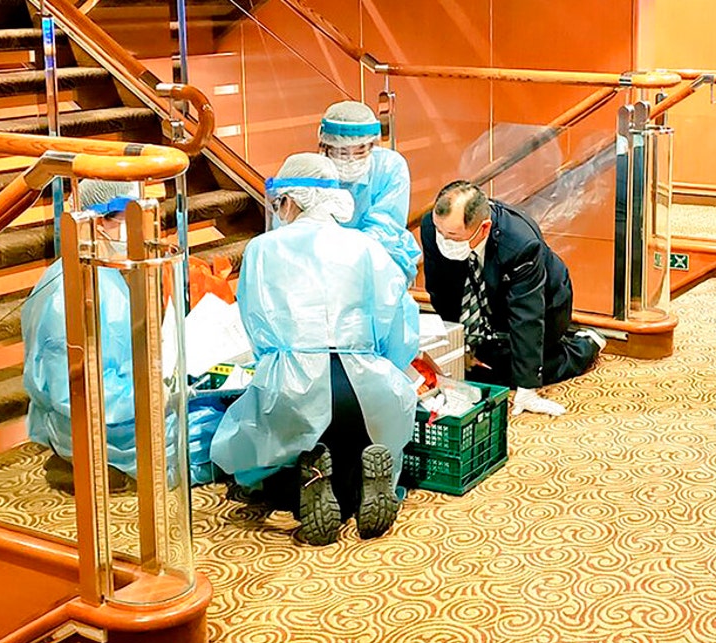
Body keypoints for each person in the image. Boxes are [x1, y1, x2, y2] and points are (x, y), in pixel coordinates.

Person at [210, 153, 419, 546]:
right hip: (365, 387)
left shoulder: (262, 249)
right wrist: (384, 365)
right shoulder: (366, 247)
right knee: (366, 439)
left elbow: (256, 326)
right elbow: (398, 321)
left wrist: (272, 365)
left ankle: (306, 481)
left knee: (259, 451)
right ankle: (360, 491)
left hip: (295, 384)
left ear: (289, 201)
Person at [22, 179, 222, 492]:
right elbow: (76, 392)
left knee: (220, 410)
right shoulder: (67, 291)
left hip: (127, 401)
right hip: (98, 421)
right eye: (128, 220)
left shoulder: (104, 271)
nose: (137, 232)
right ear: (98, 222)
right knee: (210, 433)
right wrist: (158, 395)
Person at [420, 180, 605, 417]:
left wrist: (527, 388)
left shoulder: (520, 243)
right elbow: (440, 290)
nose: (444, 240)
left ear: (484, 228)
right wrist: (460, 344)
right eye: (440, 231)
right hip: (483, 302)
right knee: (469, 370)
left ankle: (584, 345)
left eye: (453, 236)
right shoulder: (432, 226)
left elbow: (527, 314)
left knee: (506, 374)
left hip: (546, 303)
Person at [318, 100, 422, 284]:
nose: (350, 159)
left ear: (372, 146)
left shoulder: (390, 166)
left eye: (359, 152)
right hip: (324, 261)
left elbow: (386, 225)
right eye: (341, 152)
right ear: (325, 147)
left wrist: (348, 255)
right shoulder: (313, 171)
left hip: (379, 254)